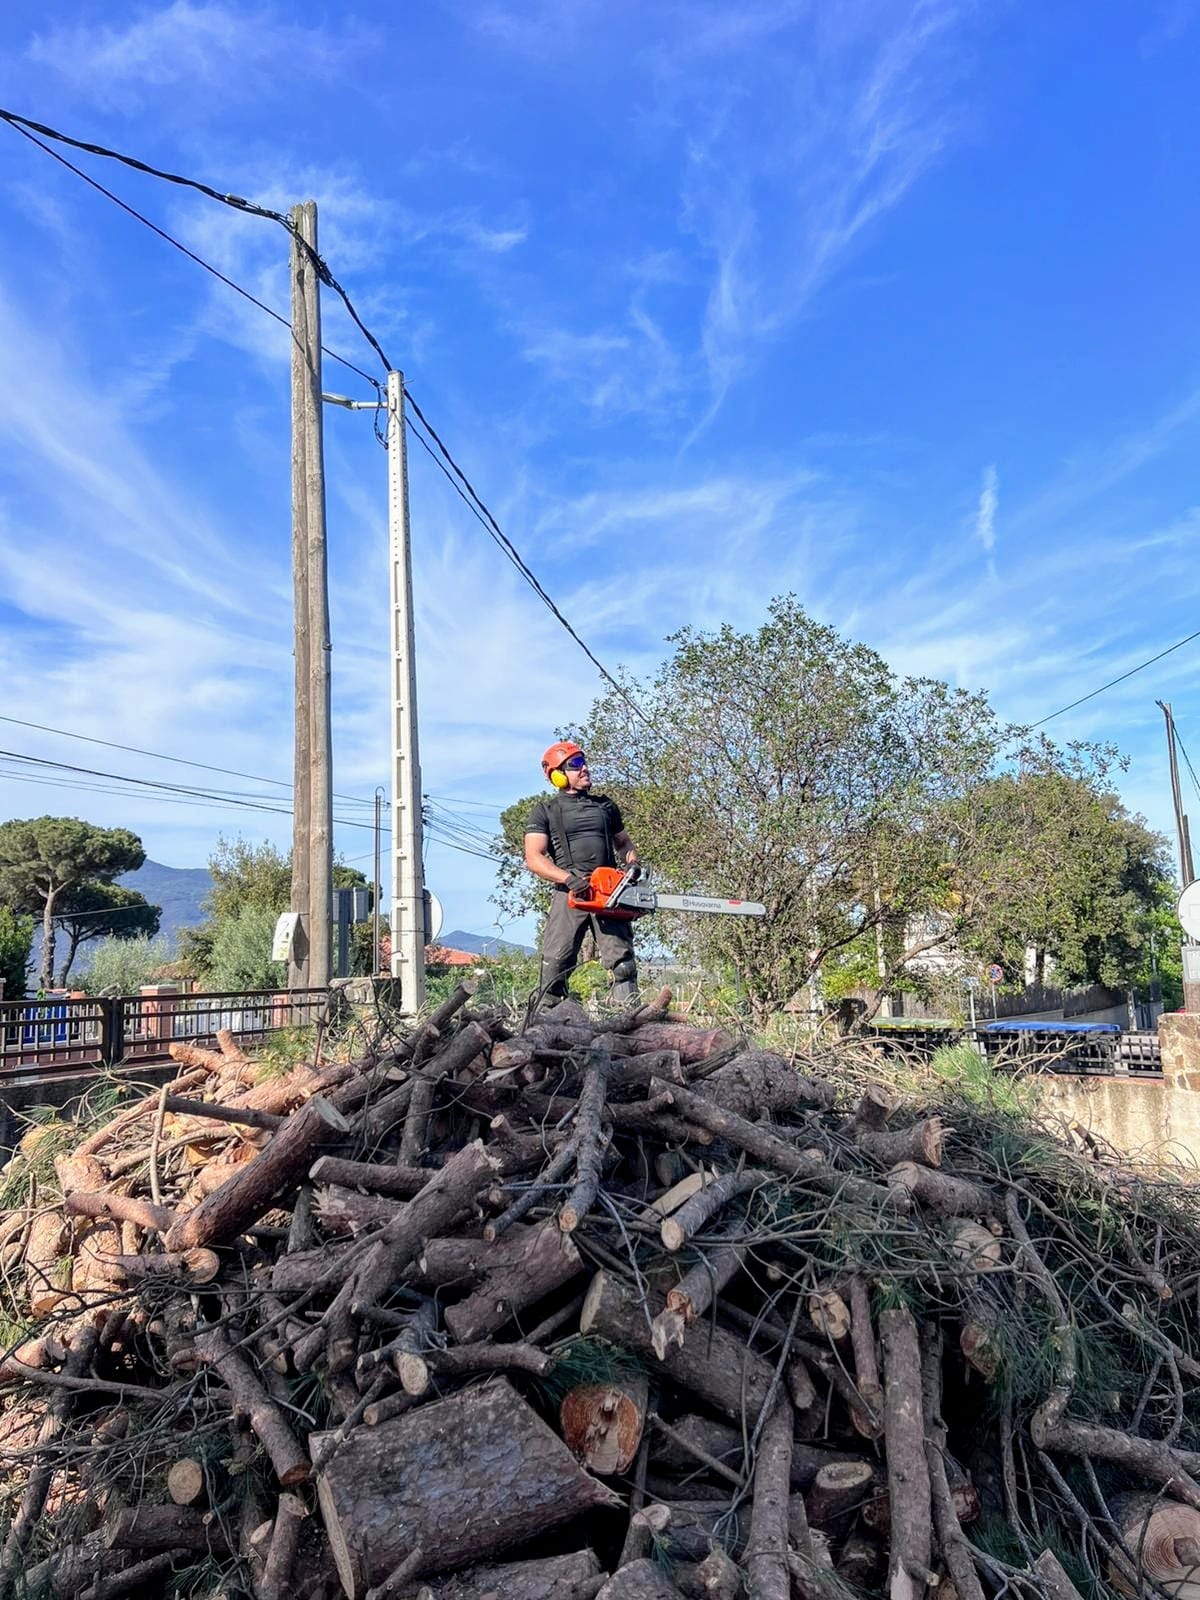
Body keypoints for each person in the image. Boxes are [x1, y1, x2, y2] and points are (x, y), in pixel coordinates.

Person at [524, 740, 641, 1006]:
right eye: (575, 764)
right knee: (555, 964)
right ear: (557, 774)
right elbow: (533, 857)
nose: (584, 768)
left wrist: (632, 864)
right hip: (570, 892)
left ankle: (630, 1016)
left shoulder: (605, 806)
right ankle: (546, 1019)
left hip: (609, 891)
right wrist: (567, 879)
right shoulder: (545, 811)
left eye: (584, 762)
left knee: (623, 964)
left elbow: (624, 843)